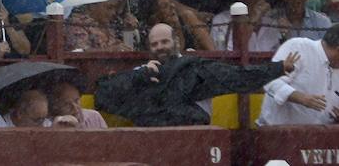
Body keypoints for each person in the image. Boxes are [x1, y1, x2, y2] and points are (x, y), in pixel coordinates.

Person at [97, 22, 302, 125]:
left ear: (176, 42)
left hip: (194, 140)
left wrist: (277, 68)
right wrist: (139, 77)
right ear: (149, 48)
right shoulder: (141, 73)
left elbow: (236, 76)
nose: (160, 47)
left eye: (164, 42)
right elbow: (104, 95)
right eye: (155, 44)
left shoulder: (193, 67)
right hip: (154, 144)